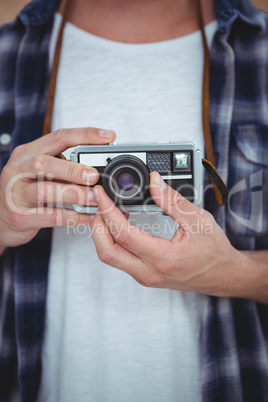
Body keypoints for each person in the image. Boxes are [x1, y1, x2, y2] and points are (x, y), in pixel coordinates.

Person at [0, 0, 267, 401]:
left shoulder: (261, 53)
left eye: (130, 174)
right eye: (119, 172)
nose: (127, 181)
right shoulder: (7, 53)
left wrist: (230, 272)